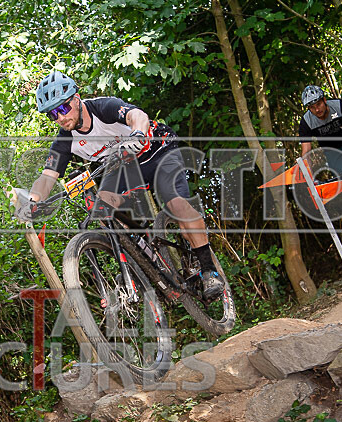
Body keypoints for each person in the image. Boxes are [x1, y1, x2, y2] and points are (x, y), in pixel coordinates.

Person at [16, 70, 224, 299]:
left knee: (177, 204)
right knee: (104, 209)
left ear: (76, 98)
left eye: (63, 108)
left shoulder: (102, 107)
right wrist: (32, 202)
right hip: (126, 168)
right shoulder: (64, 141)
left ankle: (208, 270)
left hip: (157, 151)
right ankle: (142, 261)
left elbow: (138, 116)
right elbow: (47, 177)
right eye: (52, 115)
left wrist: (137, 133)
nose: (60, 118)